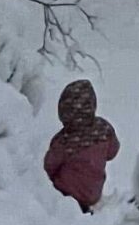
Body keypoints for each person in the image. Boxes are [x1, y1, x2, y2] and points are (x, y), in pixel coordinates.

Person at [43, 78, 119, 213]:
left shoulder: (65, 140)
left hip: (66, 193)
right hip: (94, 192)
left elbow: (49, 167)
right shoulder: (103, 129)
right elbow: (112, 151)